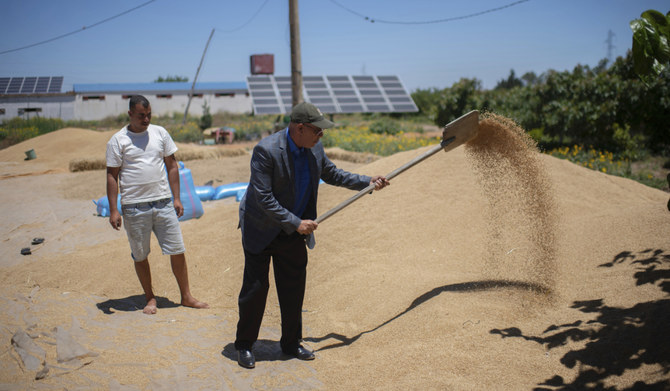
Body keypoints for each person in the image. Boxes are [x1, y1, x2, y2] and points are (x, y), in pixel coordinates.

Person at [234, 102, 390, 368]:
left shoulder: (314, 146)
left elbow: (331, 173)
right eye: (318, 131)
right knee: (255, 289)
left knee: (293, 287)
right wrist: (295, 222)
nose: (322, 136)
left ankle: (291, 343)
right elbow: (263, 198)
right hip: (262, 228)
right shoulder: (266, 150)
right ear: (300, 128)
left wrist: (366, 182)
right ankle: (245, 345)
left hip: (295, 229)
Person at [106, 95, 209, 315]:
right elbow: (112, 176)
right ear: (130, 114)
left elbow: (172, 166)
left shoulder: (160, 133)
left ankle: (186, 296)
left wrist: (177, 197)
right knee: (140, 255)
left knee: (177, 249)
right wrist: (114, 209)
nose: (146, 119)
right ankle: (150, 298)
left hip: (163, 203)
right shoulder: (117, 141)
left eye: (149, 115)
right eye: (141, 115)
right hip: (134, 207)